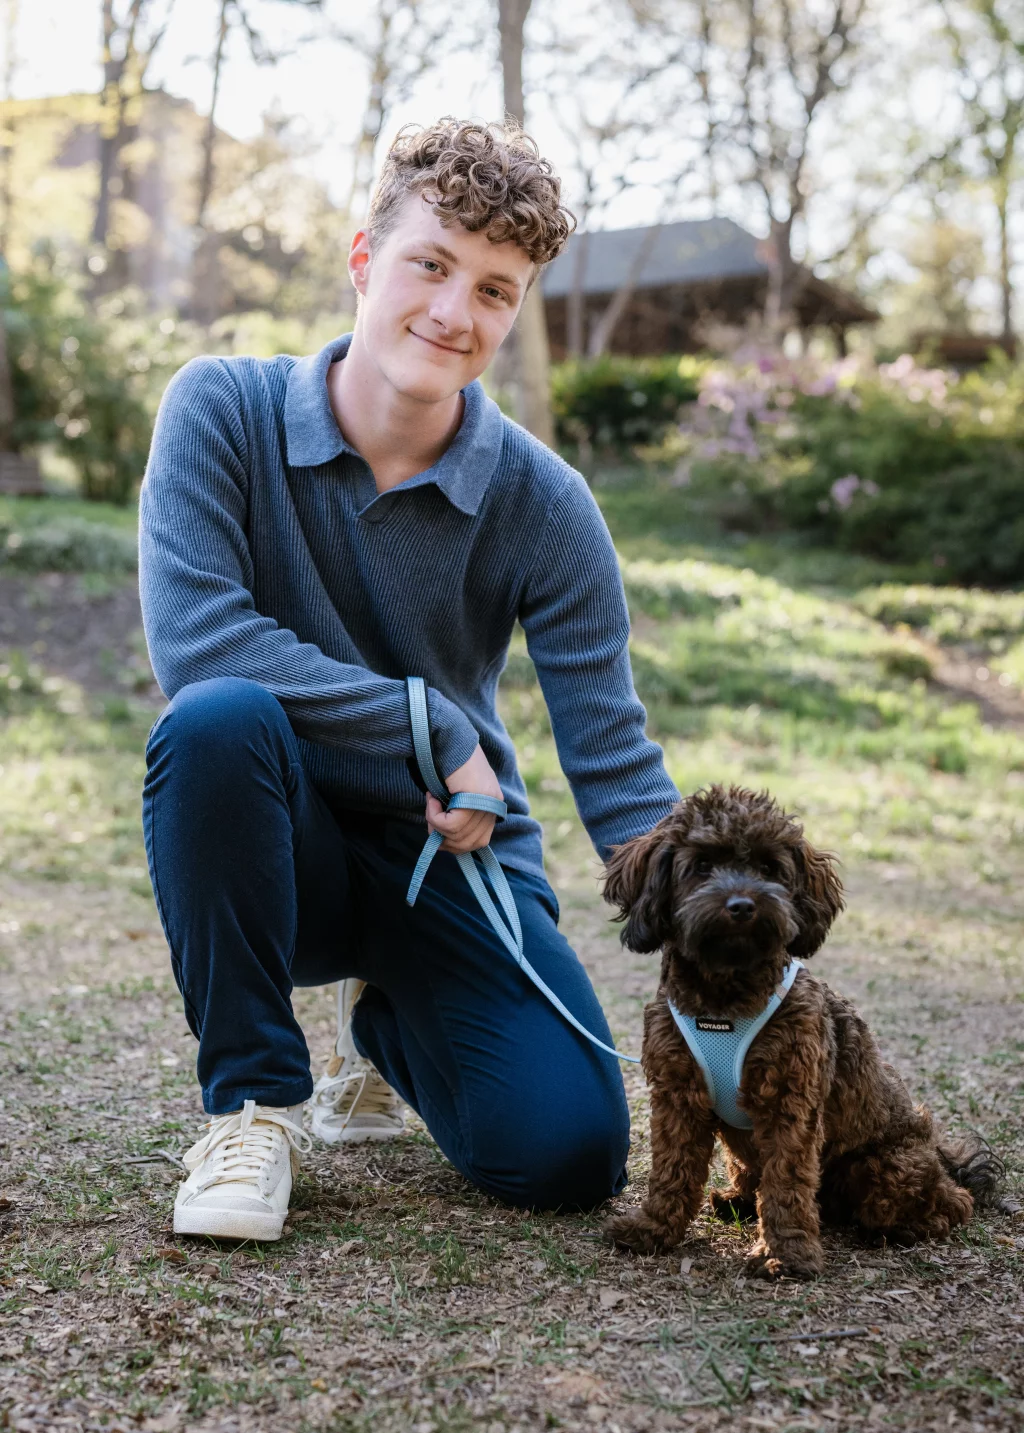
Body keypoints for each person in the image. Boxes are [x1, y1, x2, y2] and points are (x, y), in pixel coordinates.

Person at [140, 117, 680, 1243]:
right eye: (429, 264)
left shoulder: (546, 502)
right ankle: (252, 1104)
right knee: (214, 721)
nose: (452, 311)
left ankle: (390, 1024)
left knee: (568, 1151)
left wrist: (731, 933)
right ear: (361, 259)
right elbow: (199, 641)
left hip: (452, 851)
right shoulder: (220, 410)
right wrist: (425, 721)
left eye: (494, 288)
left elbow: (613, 754)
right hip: (269, 847)